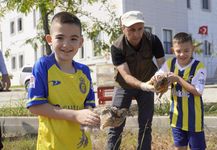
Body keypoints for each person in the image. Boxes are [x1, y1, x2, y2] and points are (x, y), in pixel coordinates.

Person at [27, 12, 100, 150]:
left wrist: (95, 118)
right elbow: (35, 106)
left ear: (81, 42)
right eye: (60, 38)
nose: (66, 45)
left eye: (73, 39)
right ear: (49, 39)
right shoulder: (43, 65)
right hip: (52, 146)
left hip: (81, 145)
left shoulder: (84, 71)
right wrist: (75, 115)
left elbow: (89, 107)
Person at [107, 11, 165, 150]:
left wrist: (163, 82)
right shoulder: (117, 47)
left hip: (148, 82)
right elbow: (126, 76)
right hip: (124, 85)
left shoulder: (153, 40)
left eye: (140, 29)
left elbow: (163, 65)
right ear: (123, 28)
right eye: (131, 30)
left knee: (146, 125)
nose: (137, 34)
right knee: (115, 122)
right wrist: (143, 86)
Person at [152, 32, 207, 150]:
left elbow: (198, 91)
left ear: (192, 49)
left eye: (186, 50)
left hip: (194, 120)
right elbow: (158, 76)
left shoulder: (199, 67)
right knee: (179, 147)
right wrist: (160, 79)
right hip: (176, 119)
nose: (182, 54)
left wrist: (177, 79)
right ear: (173, 50)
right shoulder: (170, 63)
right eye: (178, 51)